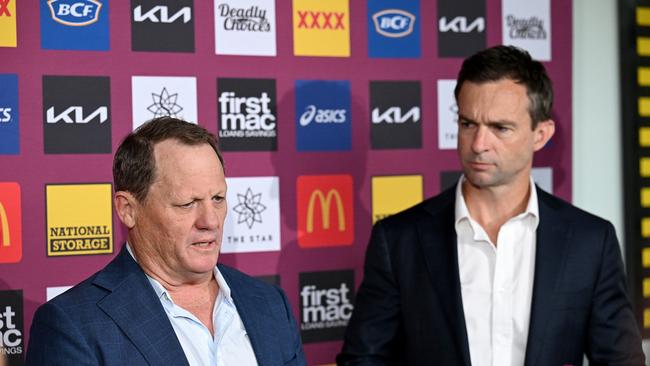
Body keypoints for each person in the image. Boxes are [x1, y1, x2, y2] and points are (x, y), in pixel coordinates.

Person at [337, 45, 645, 366]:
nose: (479, 144)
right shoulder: (399, 240)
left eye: (500, 128)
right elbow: (364, 360)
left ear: (540, 134)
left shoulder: (591, 242)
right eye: (468, 124)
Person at [26, 117, 306, 366]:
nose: (210, 221)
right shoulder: (74, 326)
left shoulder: (270, 304)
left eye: (218, 199)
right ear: (128, 209)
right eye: (187, 203)